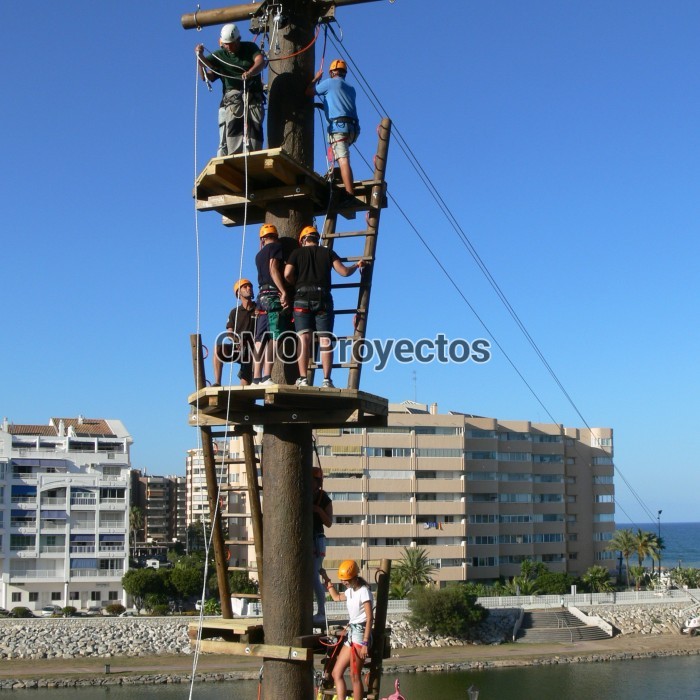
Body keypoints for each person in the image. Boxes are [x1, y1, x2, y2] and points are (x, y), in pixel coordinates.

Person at [284, 225, 365, 388]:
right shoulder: (328, 252)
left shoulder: (296, 253)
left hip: (301, 297)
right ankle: (327, 379)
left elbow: (287, 274)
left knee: (303, 339)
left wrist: (296, 283)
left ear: (303, 240)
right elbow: (343, 272)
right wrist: (357, 265)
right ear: (316, 238)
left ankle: (303, 378)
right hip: (323, 298)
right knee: (325, 339)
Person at [196, 23, 265, 155]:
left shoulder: (249, 48)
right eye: (227, 44)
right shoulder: (220, 55)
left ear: (238, 40)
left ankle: (253, 152)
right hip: (233, 97)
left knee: (254, 125)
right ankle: (234, 154)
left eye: (232, 44)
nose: (230, 47)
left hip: (252, 95)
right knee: (234, 124)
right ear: (221, 42)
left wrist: (250, 73)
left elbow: (260, 61)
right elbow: (207, 76)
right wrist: (200, 58)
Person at [320, 560, 373, 700]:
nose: (344, 583)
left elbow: (369, 618)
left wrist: (365, 643)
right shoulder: (350, 591)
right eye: (343, 580)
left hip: (361, 635)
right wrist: (326, 579)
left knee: (355, 676)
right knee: (336, 673)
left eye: (346, 580)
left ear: (355, 577)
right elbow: (336, 597)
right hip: (351, 634)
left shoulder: (364, 592)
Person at [306, 59, 359, 195]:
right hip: (352, 129)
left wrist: (316, 78)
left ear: (331, 72)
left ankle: (349, 194)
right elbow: (338, 104)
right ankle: (343, 183)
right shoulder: (351, 89)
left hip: (338, 128)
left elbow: (308, 92)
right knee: (343, 157)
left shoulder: (329, 83)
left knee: (343, 160)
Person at [254, 223, 293, 384]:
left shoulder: (258, 254)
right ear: (275, 236)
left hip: (261, 296)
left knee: (260, 338)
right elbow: (273, 268)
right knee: (275, 336)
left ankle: (256, 377)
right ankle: (266, 376)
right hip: (272, 295)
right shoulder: (276, 247)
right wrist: (283, 290)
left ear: (262, 239)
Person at [212, 278, 257, 386]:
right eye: (245, 287)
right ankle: (217, 382)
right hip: (238, 348)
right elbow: (229, 332)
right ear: (238, 292)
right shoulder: (234, 312)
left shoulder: (258, 308)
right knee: (218, 348)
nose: (248, 288)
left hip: (253, 350)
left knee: (245, 384)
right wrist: (237, 341)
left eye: (250, 286)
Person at [312, 466, 333, 627]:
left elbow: (329, 523)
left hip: (317, 539)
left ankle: (321, 612)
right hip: (307, 539)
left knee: (313, 575)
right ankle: (318, 611)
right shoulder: (304, 494)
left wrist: (318, 510)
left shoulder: (323, 498)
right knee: (309, 575)